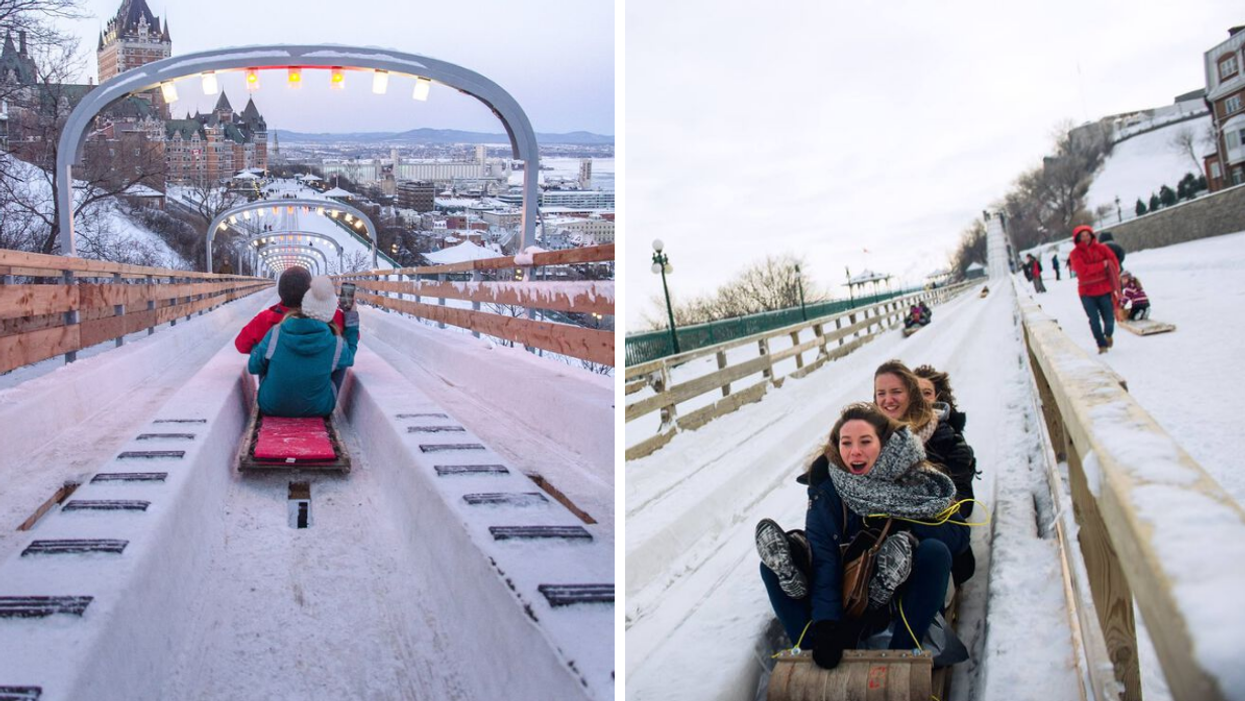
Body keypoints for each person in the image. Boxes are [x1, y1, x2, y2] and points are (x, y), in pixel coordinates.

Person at [755, 403, 969, 670]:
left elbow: (959, 538)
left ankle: (901, 655)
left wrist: (905, 510)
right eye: (846, 443)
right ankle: (811, 649)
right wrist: (826, 626)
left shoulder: (915, 478)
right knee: (773, 567)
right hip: (848, 586)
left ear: (885, 443)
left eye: (865, 441)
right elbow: (825, 557)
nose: (854, 451)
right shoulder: (828, 486)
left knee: (934, 552)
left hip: (902, 594)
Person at [874, 360, 977, 584]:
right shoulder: (877, 438)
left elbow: (964, 503)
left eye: (927, 393)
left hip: (931, 531)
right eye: (881, 393)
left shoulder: (947, 439)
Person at [248, 276, 359, 417]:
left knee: (266, 355)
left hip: (270, 406)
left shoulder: (276, 333)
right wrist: (351, 316)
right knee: (342, 359)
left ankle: (276, 391)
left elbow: (253, 367)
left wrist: (257, 350)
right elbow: (350, 357)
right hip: (319, 408)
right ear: (329, 313)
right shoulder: (335, 344)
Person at [235, 266, 348, 355]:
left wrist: (261, 350)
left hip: (275, 382)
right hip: (321, 382)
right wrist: (348, 314)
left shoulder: (264, 320)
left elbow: (241, 344)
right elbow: (352, 337)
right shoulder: (329, 315)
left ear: (281, 291)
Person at [1067, 225, 1121, 354]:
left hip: (1104, 289)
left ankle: (1108, 335)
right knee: (1094, 320)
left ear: (1092, 236)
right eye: (1082, 236)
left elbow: (1114, 263)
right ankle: (1101, 344)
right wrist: (1102, 265)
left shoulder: (1102, 248)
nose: (1085, 238)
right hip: (1087, 292)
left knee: (1109, 318)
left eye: (1087, 235)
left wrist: (1106, 266)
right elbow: (1082, 271)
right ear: (1077, 238)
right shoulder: (1075, 254)